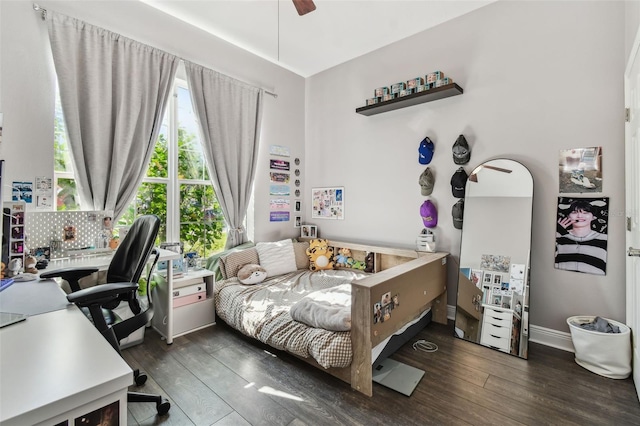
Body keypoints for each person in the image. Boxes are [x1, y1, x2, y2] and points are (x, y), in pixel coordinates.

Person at [555, 199, 607, 275]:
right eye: (574, 212)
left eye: (585, 212)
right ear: (568, 216)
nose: (580, 216)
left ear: (593, 217)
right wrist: (557, 233)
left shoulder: (605, 239)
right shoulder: (559, 237)